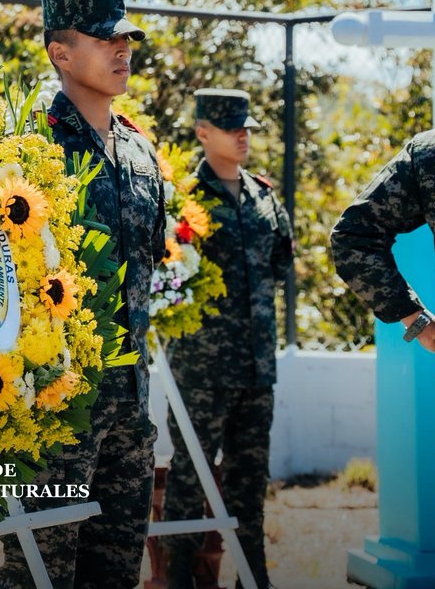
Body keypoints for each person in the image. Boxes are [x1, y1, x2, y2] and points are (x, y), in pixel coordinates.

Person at [0, 0, 166, 589]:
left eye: (126, 38)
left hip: (129, 406)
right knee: (40, 574)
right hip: (53, 410)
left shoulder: (141, 153)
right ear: (60, 54)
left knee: (115, 572)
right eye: (105, 39)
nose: (122, 49)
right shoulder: (27, 148)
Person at [163, 89, 292, 589]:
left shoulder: (264, 195)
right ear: (202, 132)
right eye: (231, 126)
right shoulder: (184, 199)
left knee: (249, 483)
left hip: (258, 367)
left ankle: (252, 577)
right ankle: (177, 577)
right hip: (201, 369)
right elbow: (168, 276)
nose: (242, 135)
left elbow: (280, 263)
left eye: (247, 127)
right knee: (189, 482)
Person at [330, 125, 435, 429]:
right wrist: (416, 318)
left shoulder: (434, 151)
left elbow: (354, 236)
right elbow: (354, 236)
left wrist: (416, 321)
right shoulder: (433, 151)